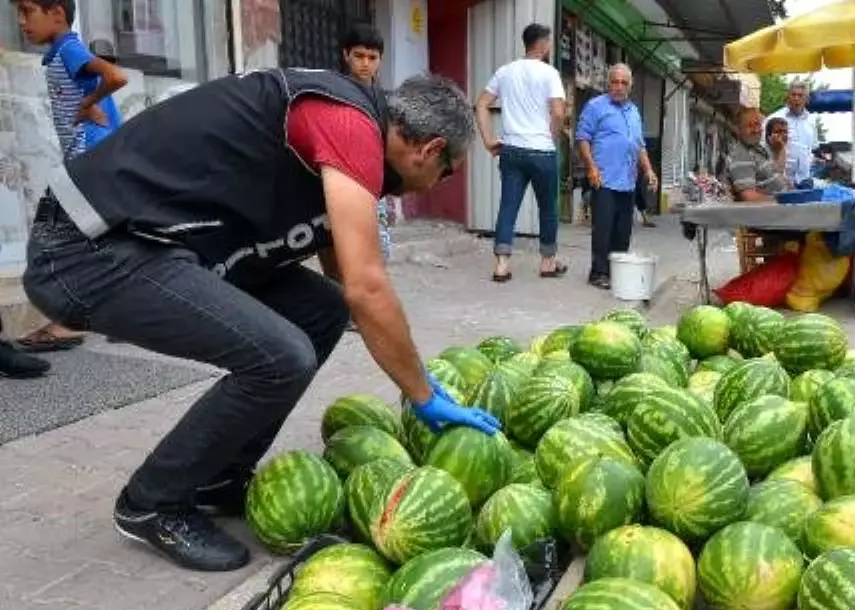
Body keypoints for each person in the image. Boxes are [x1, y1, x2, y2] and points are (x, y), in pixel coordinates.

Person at [22, 68, 499, 572]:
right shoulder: (349, 122)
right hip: (86, 248)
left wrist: (395, 355)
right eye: (449, 170)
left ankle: (217, 476)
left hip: (153, 245)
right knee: (281, 357)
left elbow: (345, 282)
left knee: (321, 311)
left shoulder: (358, 140)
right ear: (429, 149)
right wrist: (421, 392)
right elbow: (368, 285)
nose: (438, 183)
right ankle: (152, 503)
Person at [12, 0, 125, 354]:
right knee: (100, 238)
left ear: (57, 14)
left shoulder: (69, 48)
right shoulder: (60, 52)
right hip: (91, 161)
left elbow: (115, 76)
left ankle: (67, 321)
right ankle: (122, 316)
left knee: (60, 239)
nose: (21, 22)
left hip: (87, 160)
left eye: (28, 11)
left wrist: (87, 103)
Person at [475, 22, 567, 282]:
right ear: (544, 44)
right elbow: (559, 112)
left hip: (512, 150)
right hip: (542, 151)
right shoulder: (549, 73)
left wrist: (488, 140)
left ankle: (501, 265)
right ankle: (548, 262)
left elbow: (481, 104)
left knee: (508, 205)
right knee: (548, 208)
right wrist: (552, 136)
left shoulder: (505, 72)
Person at [576, 64, 657, 290]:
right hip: (603, 179)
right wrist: (591, 167)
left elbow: (639, 145)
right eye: (615, 81)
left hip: (628, 181)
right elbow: (583, 139)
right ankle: (598, 273)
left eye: (623, 83)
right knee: (603, 228)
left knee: (623, 231)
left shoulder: (633, 111)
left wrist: (649, 170)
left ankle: (617, 271)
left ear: (630, 86)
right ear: (608, 83)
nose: (619, 87)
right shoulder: (595, 106)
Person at [339, 24, 393, 265]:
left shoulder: (382, 98)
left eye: (372, 58)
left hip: (374, 184)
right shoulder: (334, 92)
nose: (365, 63)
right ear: (346, 55)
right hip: (342, 180)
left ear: (380, 60)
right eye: (359, 56)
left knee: (377, 249)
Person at [722, 108, 791, 202]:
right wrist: (783, 201)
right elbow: (749, 197)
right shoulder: (741, 155)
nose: (756, 130)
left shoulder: (757, 148)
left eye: (758, 124)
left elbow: (776, 172)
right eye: (750, 126)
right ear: (738, 130)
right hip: (773, 213)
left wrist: (779, 150)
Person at [764, 79, 817, 188]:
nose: (796, 98)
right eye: (793, 95)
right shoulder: (774, 119)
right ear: (788, 97)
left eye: (800, 95)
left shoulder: (811, 121)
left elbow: (811, 149)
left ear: (806, 99)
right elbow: (762, 147)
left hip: (804, 181)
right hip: (780, 180)